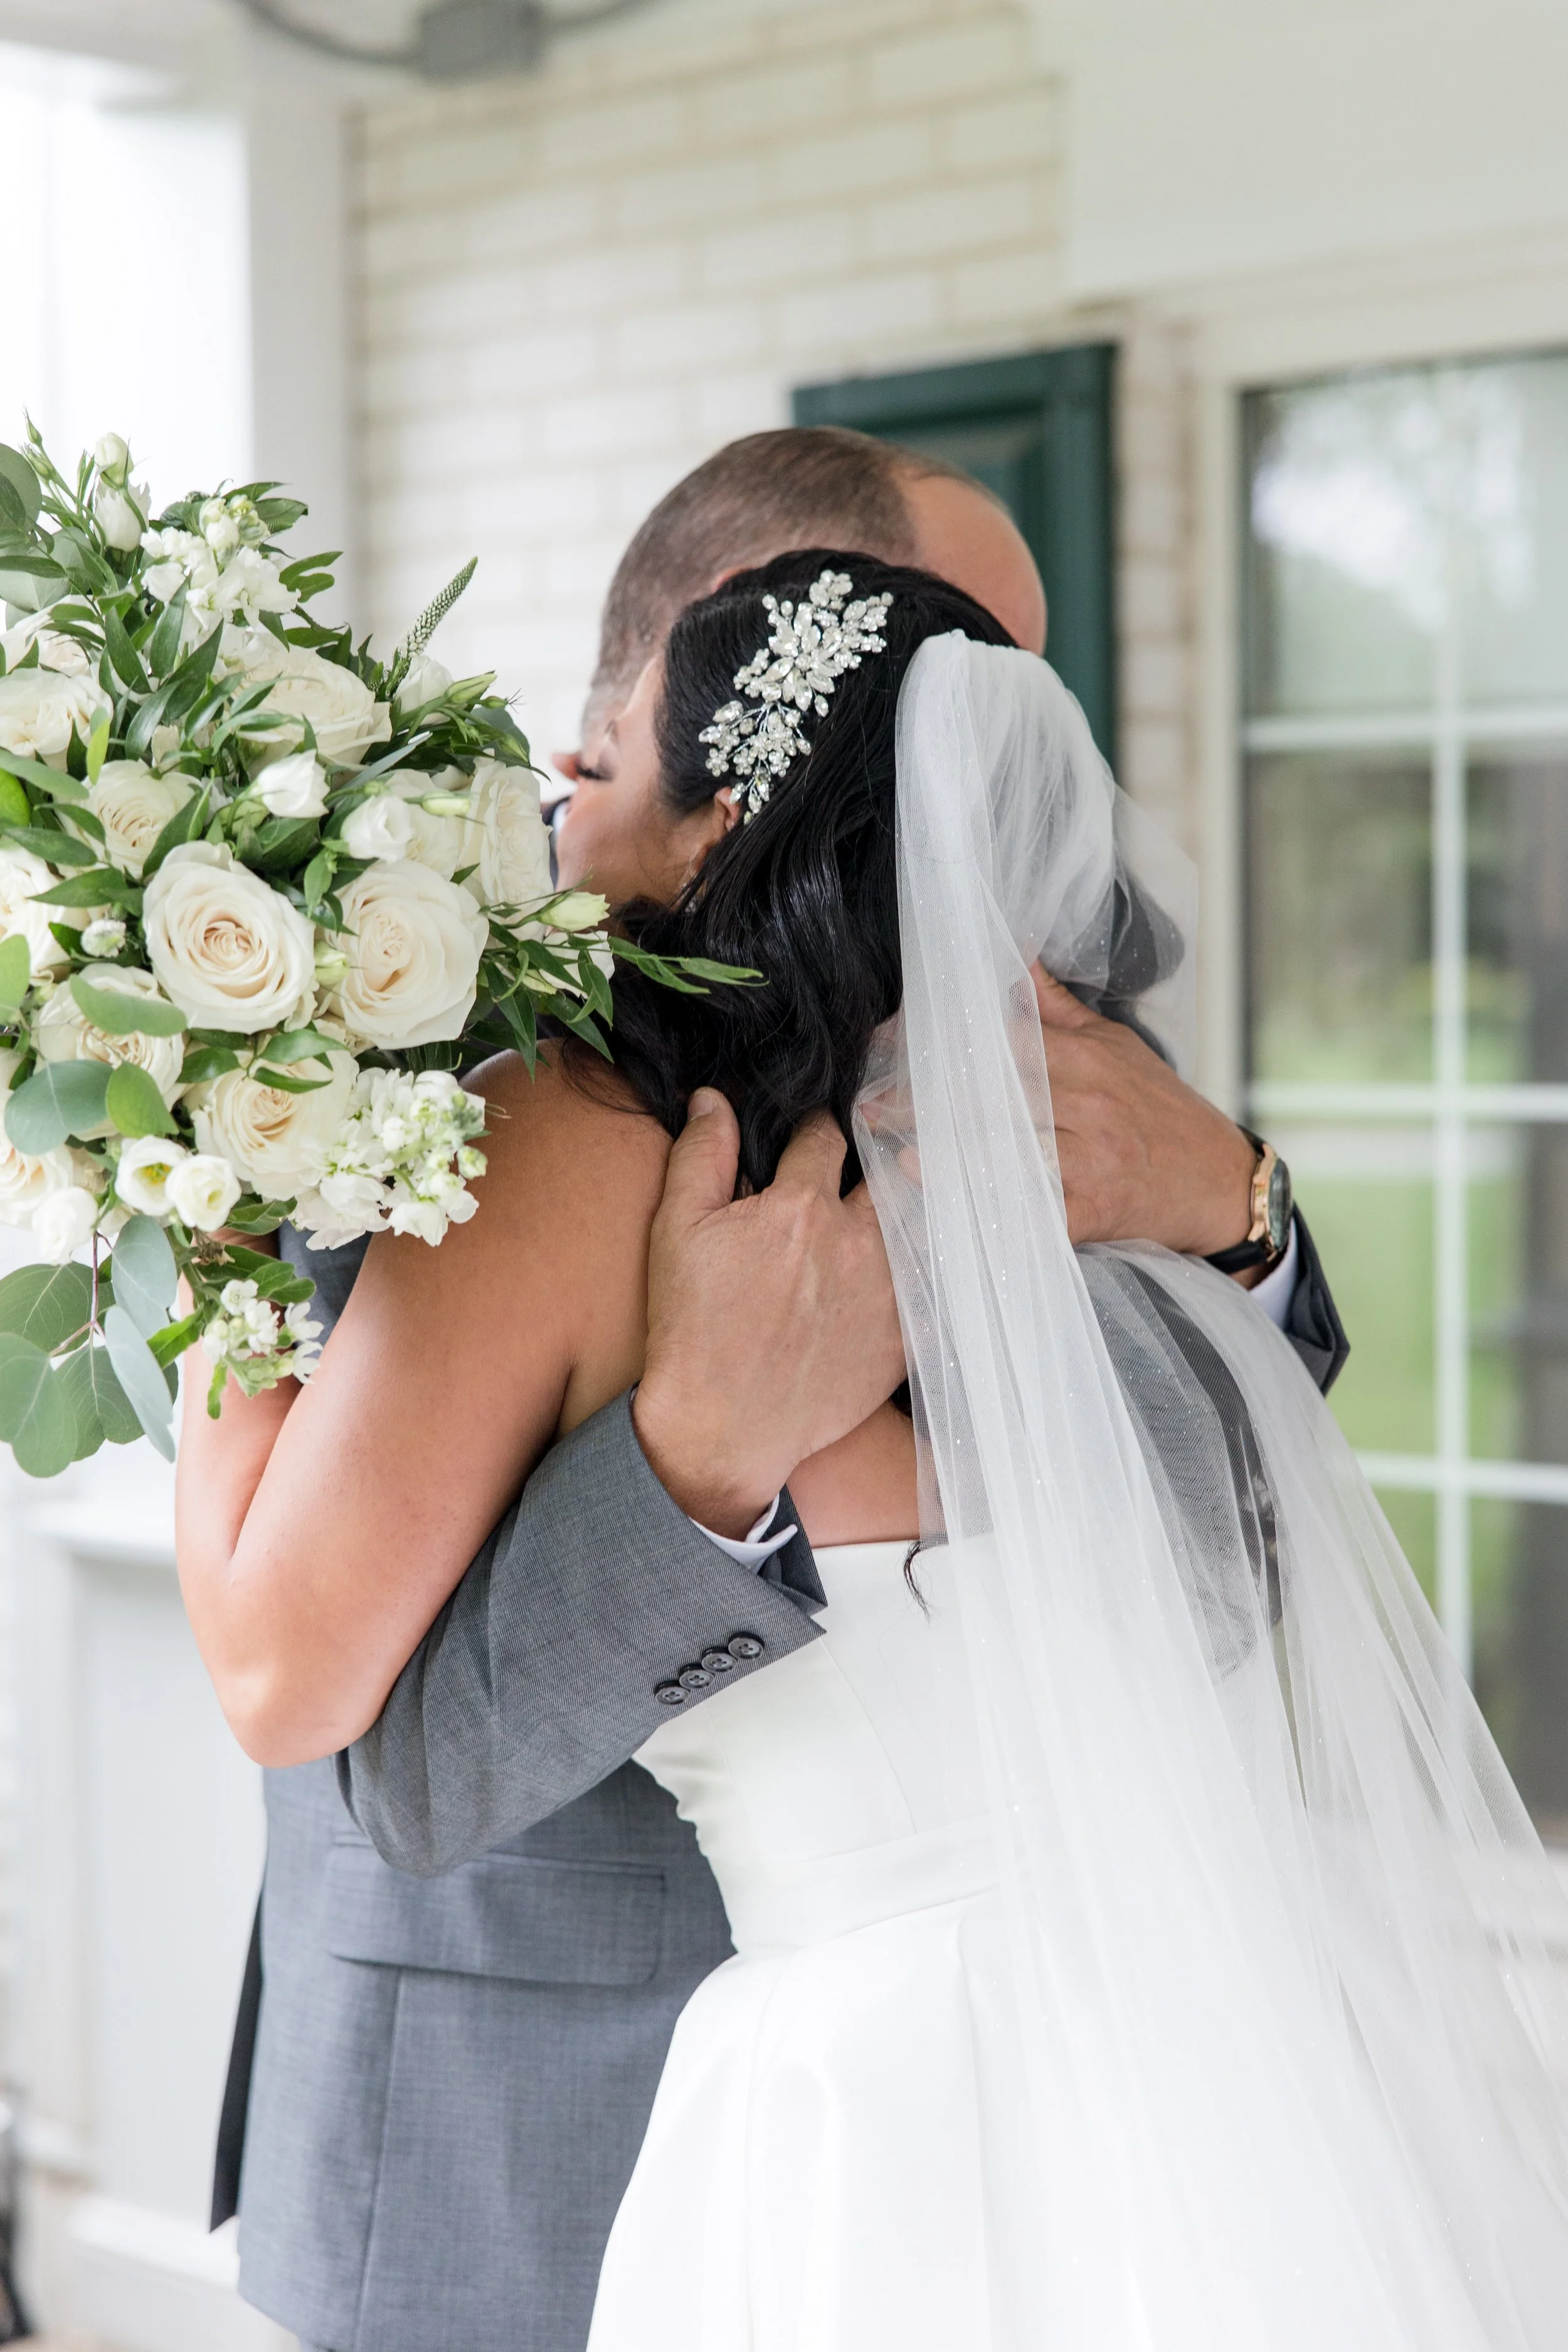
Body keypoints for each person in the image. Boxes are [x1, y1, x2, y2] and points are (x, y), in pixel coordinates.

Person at [183, 552, 1568, 2351]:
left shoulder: (572, 1139)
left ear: (726, 803)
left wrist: (194, 1194)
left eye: (601, 759)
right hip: (1218, 2057)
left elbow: (290, 1683)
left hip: (865, 2099)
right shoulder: (1052, 1128)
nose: (550, 801)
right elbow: (1226, 1528)